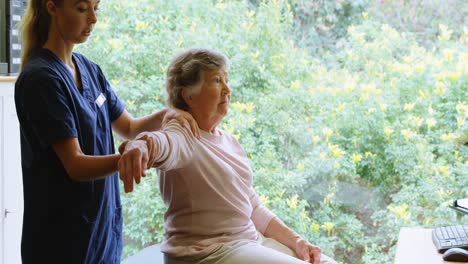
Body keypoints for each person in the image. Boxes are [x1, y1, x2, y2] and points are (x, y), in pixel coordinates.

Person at [14, 0, 199, 263]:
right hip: (61, 242)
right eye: (82, 9)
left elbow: (129, 127)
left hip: (101, 234)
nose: (93, 19)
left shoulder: (90, 69)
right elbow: (75, 165)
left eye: (96, 8)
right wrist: (131, 157)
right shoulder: (41, 79)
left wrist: (167, 114)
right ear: (52, 7)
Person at [119, 48, 338, 264]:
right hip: (207, 253)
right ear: (189, 95)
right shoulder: (183, 134)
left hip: (248, 242)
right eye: (216, 81)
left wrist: (298, 242)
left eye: (226, 79)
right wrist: (141, 146)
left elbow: (253, 207)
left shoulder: (229, 141)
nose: (227, 89)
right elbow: (163, 144)